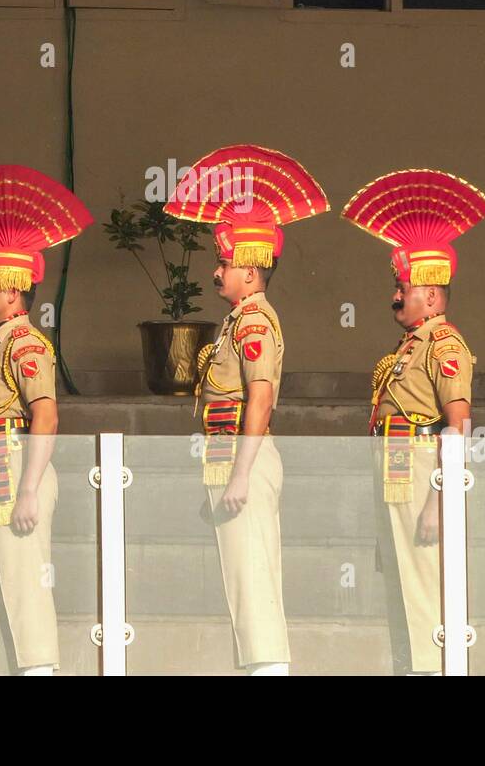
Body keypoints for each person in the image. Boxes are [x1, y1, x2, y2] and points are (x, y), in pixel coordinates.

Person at [166, 143, 329, 675]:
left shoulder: (255, 323)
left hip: (246, 460)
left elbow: (258, 399)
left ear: (252, 271)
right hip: (230, 460)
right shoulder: (240, 321)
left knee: (253, 583)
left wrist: (238, 475)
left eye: (224, 262)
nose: (217, 272)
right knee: (240, 579)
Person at [341, 168, 485, 675]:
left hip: (424, 472)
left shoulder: (445, 345)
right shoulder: (411, 345)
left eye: (402, 287)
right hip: (396, 473)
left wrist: (439, 503)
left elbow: (458, 425)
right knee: (401, 590)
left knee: (427, 591)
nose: (394, 296)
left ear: (430, 294)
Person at [0, 164, 92, 676]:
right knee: (9, 585)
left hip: (14, 467)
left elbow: (45, 416)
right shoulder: (0, 341)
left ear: (11, 287)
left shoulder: (26, 343)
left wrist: (29, 489)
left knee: (26, 587)